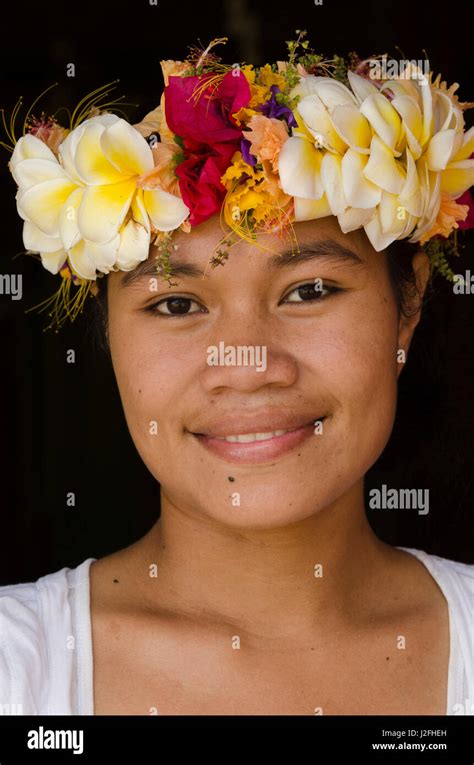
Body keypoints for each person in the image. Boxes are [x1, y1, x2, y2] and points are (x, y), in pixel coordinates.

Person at [0, 35, 473, 716]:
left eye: (308, 291)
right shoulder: (24, 671)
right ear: (109, 333)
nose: (246, 365)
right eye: (176, 303)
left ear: (409, 305)